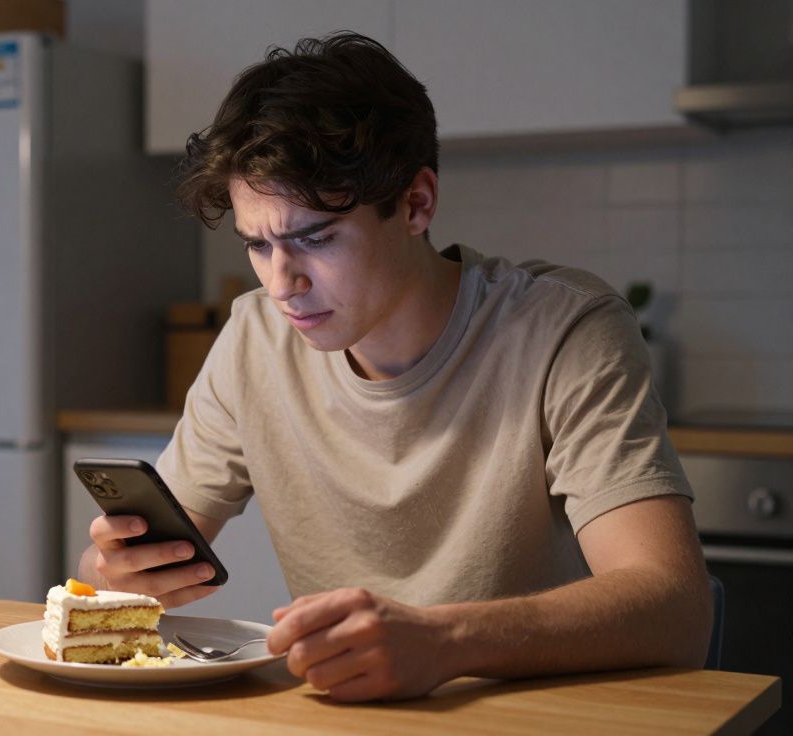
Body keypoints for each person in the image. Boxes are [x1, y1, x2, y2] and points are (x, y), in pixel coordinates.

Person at [76, 31, 711, 702]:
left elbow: (675, 608)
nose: (282, 283)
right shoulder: (254, 339)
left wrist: (446, 642)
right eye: (258, 246)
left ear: (416, 204)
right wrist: (113, 572)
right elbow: (117, 569)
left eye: (315, 238)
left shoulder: (565, 331)